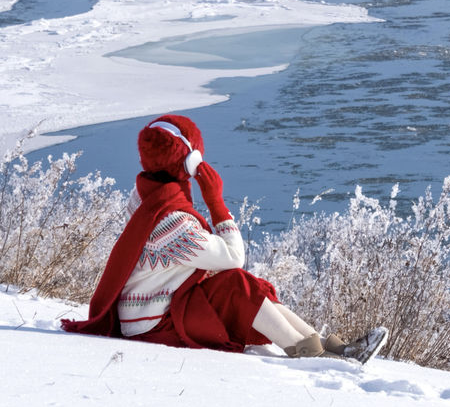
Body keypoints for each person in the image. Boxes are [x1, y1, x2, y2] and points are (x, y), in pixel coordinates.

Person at [62, 114, 388, 363]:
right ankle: (309, 354)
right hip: (152, 323)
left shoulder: (147, 196)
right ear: (191, 162)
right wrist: (217, 203)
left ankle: (327, 346)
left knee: (243, 284)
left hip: (156, 305)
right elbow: (233, 256)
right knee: (236, 282)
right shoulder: (171, 222)